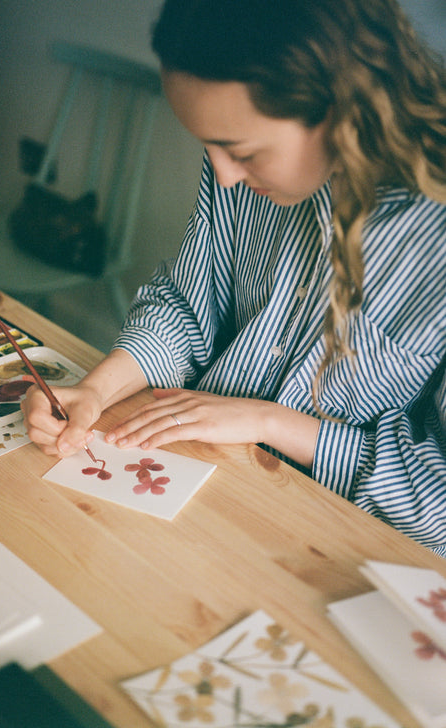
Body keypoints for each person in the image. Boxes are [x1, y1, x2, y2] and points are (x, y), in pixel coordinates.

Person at [22, 0, 446, 555]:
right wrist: (95, 389)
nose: (223, 176)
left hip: (346, 548)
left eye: (242, 152)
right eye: (210, 147)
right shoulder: (242, 172)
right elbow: (188, 304)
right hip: (201, 487)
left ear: (343, 112)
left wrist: (270, 422)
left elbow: (436, 504)